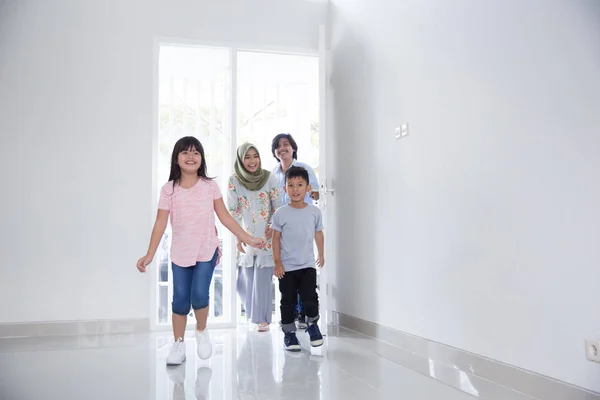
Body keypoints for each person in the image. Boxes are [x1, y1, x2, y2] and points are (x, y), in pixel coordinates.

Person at [137, 136, 264, 366]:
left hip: (207, 249)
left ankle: (202, 331)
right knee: (180, 302)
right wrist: (149, 255)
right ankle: (178, 344)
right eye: (185, 152)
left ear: (201, 158)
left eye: (196, 152)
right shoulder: (169, 190)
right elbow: (160, 224)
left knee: (199, 296)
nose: (191, 156)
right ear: (176, 159)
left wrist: (247, 238)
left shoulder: (209, 186)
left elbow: (225, 216)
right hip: (180, 253)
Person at [227, 143, 283, 332]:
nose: (252, 161)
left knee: (263, 278)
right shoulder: (234, 180)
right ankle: (252, 314)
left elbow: (278, 206)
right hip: (246, 233)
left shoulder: (269, 177)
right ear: (241, 160)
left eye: (255, 156)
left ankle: (263, 319)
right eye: (247, 157)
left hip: (268, 234)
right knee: (245, 278)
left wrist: (271, 227)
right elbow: (233, 211)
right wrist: (238, 235)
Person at [271, 166, 325, 351]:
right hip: (287, 267)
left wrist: (321, 254)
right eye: (291, 185)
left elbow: (318, 234)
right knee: (288, 301)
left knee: (310, 297)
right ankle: (289, 333)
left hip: (307, 265)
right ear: (285, 189)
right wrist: (277, 261)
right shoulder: (280, 213)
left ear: (308, 188)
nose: (295, 189)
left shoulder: (314, 212)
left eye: (300, 185)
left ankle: (312, 326)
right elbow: (275, 238)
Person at [271, 133, 319, 329]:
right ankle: (290, 311)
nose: (282, 148)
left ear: (293, 148)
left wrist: (313, 193)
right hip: (282, 226)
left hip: (301, 225)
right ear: (275, 152)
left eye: (286, 145)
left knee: (302, 269)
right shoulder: (274, 173)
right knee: (287, 270)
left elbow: (314, 190)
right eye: (278, 146)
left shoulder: (305, 168)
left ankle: (303, 313)